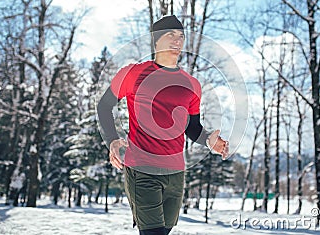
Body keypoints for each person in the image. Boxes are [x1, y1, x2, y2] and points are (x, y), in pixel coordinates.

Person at [97, 15, 229, 235]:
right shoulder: (133, 73)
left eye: (181, 36)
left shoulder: (192, 85)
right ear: (156, 40)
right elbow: (104, 106)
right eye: (170, 35)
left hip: (176, 172)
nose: (177, 41)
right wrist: (112, 140)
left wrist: (208, 140)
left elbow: (191, 127)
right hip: (142, 169)